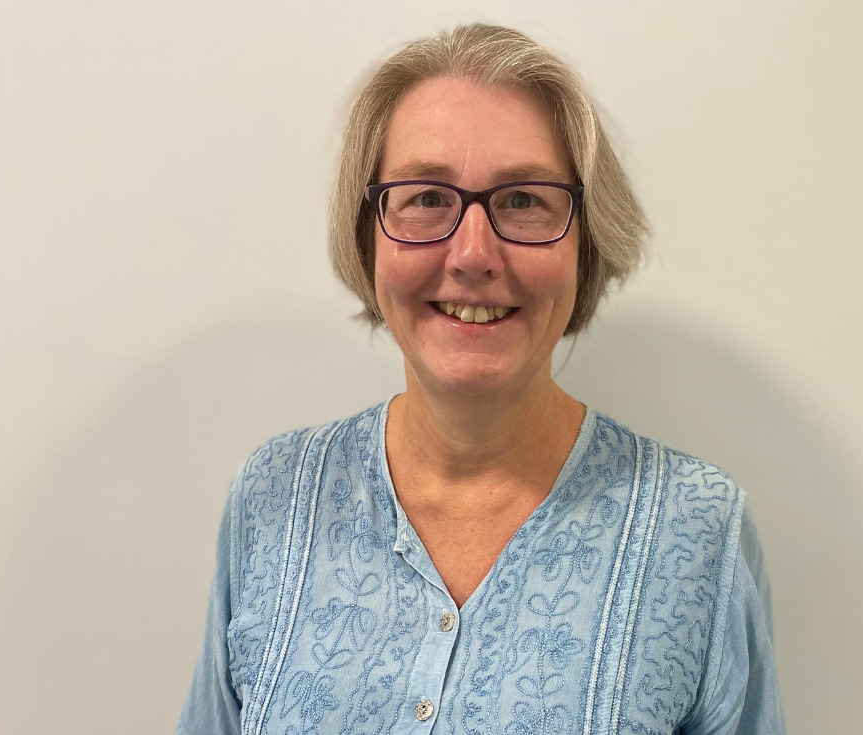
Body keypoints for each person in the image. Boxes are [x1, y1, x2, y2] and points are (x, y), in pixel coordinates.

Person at [178, 23, 785, 735]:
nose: (472, 253)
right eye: (426, 197)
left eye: (523, 200)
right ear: (366, 232)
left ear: (585, 241)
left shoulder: (697, 530)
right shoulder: (274, 497)